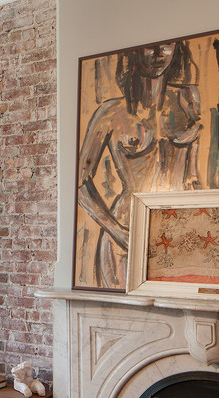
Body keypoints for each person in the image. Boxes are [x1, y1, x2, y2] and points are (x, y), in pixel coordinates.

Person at [77, 40, 205, 290]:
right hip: (126, 232)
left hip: (177, 230)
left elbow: (194, 175)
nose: (160, 53)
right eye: (151, 48)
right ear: (133, 53)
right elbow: (79, 183)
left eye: (168, 45)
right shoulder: (110, 113)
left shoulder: (188, 100)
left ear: (177, 50)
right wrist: (118, 231)